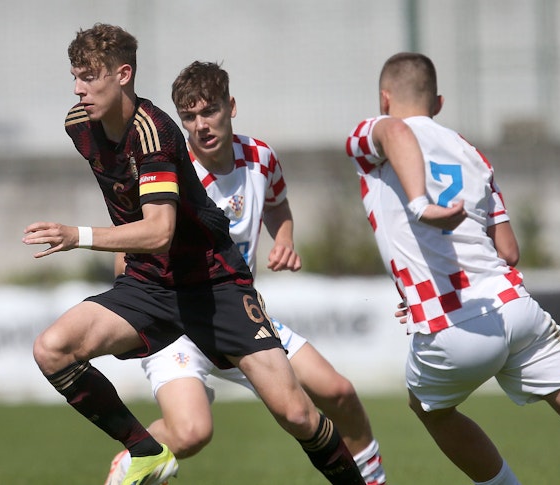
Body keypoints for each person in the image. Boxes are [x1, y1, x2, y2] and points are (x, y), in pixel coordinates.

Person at [23, 23, 366, 485]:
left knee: (298, 415)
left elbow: (159, 232)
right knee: (52, 349)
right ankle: (145, 451)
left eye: (89, 77)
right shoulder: (79, 125)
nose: (78, 89)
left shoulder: (155, 132)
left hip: (214, 284)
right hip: (149, 283)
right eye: (75, 77)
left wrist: (76, 235)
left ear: (123, 75)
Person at [104, 61, 386, 485]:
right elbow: (130, 243)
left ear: (230, 106)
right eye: (189, 117)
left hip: (238, 314)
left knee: (338, 392)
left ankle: (373, 478)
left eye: (210, 111)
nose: (201, 125)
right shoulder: (168, 170)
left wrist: (284, 238)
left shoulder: (260, 157)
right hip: (177, 321)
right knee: (192, 432)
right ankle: (133, 460)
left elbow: (277, 205)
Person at [345, 51, 560, 485]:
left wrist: (420, 204)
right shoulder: (471, 152)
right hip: (513, 307)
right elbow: (509, 250)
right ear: (438, 103)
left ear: (384, 99)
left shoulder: (376, 133)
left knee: (428, 408)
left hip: (452, 323)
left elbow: (395, 131)